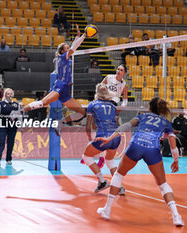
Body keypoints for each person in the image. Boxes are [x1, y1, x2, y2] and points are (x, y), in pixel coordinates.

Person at [95, 97, 184, 227]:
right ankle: (176, 216)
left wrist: (109, 138)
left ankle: (107, 210)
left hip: (135, 146)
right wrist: (175, 160)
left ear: (150, 108)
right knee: (163, 184)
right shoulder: (166, 122)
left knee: (119, 175)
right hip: (152, 150)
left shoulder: (143, 116)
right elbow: (173, 145)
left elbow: (126, 125)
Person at [23, 24, 86, 133]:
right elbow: (73, 48)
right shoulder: (63, 57)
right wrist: (84, 35)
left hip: (66, 90)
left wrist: (78, 36)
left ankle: (60, 123)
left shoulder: (66, 57)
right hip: (60, 86)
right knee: (42, 103)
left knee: (82, 112)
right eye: (66, 48)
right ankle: (19, 112)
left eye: (68, 48)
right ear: (62, 51)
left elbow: (73, 48)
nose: (68, 49)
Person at [81, 84, 125, 194]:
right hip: (115, 136)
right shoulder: (112, 106)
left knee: (86, 156)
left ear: (97, 92)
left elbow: (88, 126)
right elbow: (116, 122)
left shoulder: (92, 105)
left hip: (103, 136)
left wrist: (89, 138)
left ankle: (102, 181)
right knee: (110, 160)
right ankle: (119, 187)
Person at [0, 88, 21, 166]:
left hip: (13, 125)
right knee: (1, 141)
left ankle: (8, 158)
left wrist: (20, 124)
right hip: (2, 124)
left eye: (10, 93)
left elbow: (19, 115)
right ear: (5, 95)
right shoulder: (1, 104)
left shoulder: (16, 104)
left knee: (11, 142)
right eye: (7, 93)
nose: (9, 95)